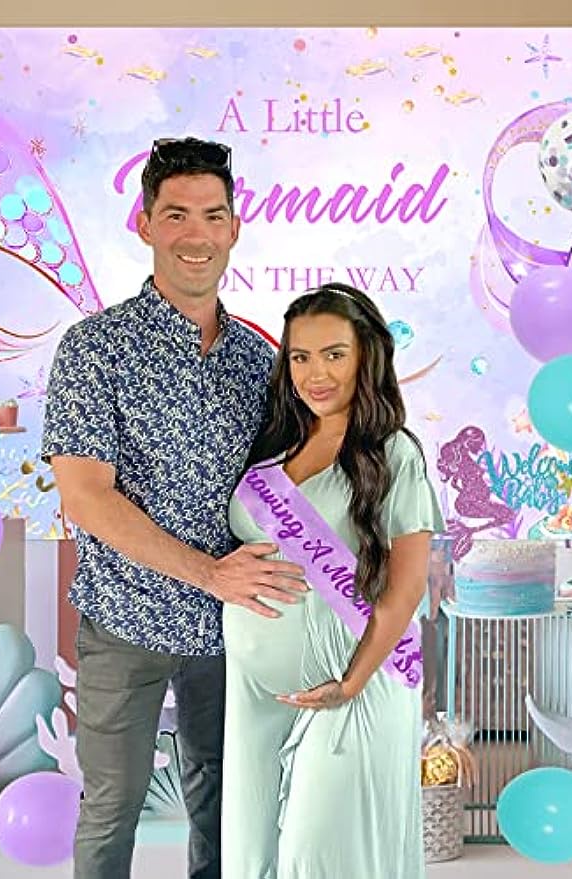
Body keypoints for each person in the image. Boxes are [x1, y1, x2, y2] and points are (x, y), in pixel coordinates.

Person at [41, 136, 306, 879]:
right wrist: (209, 573)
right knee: (111, 807)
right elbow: (85, 496)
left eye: (213, 215)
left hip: (233, 629)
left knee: (228, 811)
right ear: (145, 224)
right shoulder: (95, 348)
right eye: (177, 214)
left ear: (234, 227)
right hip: (125, 621)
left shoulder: (258, 362)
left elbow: (285, 489)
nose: (197, 234)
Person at [221, 283, 444, 879]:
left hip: (354, 686)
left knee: (317, 858)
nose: (315, 374)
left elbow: (406, 589)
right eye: (300, 356)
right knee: (251, 858)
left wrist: (350, 682)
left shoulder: (393, 454)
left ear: (366, 357)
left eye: (334, 355)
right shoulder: (278, 443)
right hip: (254, 693)